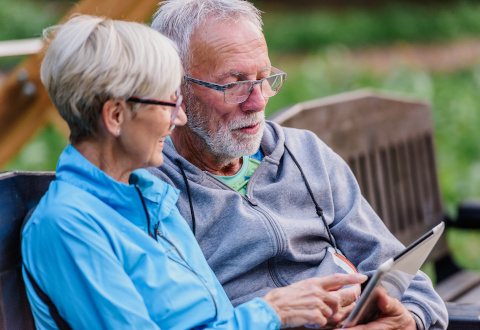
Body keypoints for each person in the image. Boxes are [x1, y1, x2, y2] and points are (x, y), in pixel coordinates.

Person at [21, 14, 369, 329]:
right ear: (115, 117)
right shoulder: (66, 225)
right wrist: (271, 311)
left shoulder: (147, 193)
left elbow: (213, 318)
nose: (180, 117)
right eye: (168, 101)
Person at [149, 1, 449, 329]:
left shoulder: (304, 153)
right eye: (234, 84)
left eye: (264, 78)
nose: (258, 101)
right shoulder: (150, 189)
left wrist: (408, 320)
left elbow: (405, 277)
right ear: (174, 87)